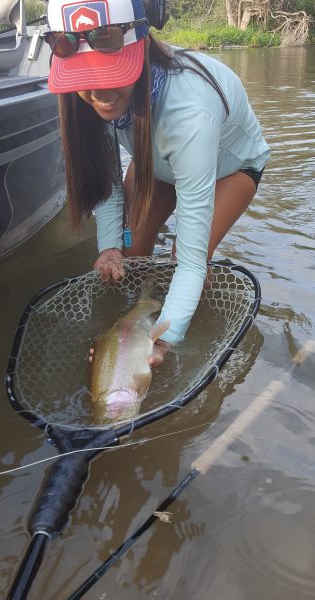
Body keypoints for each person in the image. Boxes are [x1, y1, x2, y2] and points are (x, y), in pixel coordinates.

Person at [45, 0, 270, 365]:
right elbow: (108, 183)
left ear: (143, 45)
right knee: (131, 258)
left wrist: (165, 338)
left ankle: (187, 322)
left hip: (230, 170)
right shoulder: (92, 104)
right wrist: (109, 248)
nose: (99, 93)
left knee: (188, 255)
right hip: (158, 163)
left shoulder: (189, 112)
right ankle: (146, 308)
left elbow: (192, 263)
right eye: (85, 79)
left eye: (111, 73)